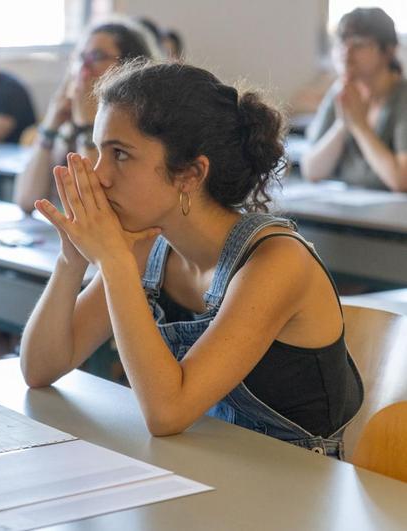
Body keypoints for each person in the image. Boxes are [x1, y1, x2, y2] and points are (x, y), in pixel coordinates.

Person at [20, 59, 363, 458]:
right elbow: (40, 369)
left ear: (190, 174)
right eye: (98, 151)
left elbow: (167, 413)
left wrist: (114, 265)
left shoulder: (276, 262)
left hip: (298, 487)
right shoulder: (149, 244)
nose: (99, 175)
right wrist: (71, 260)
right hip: (205, 465)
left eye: (121, 155)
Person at [13, 18, 158, 213]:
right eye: (80, 58)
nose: (84, 69)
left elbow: (95, 208)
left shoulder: (140, 127)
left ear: (129, 65)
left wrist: (87, 126)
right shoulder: (68, 125)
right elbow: (27, 200)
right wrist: (50, 125)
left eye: (97, 57)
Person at [302, 7, 407, 191]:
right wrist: (343, 125)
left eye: (359, 44)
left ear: (388, 51)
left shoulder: (401, 97)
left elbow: (401, 181)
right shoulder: (340, 91)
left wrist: (359, 125)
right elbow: (311, 170)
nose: (346, 51)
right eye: (341, 42)